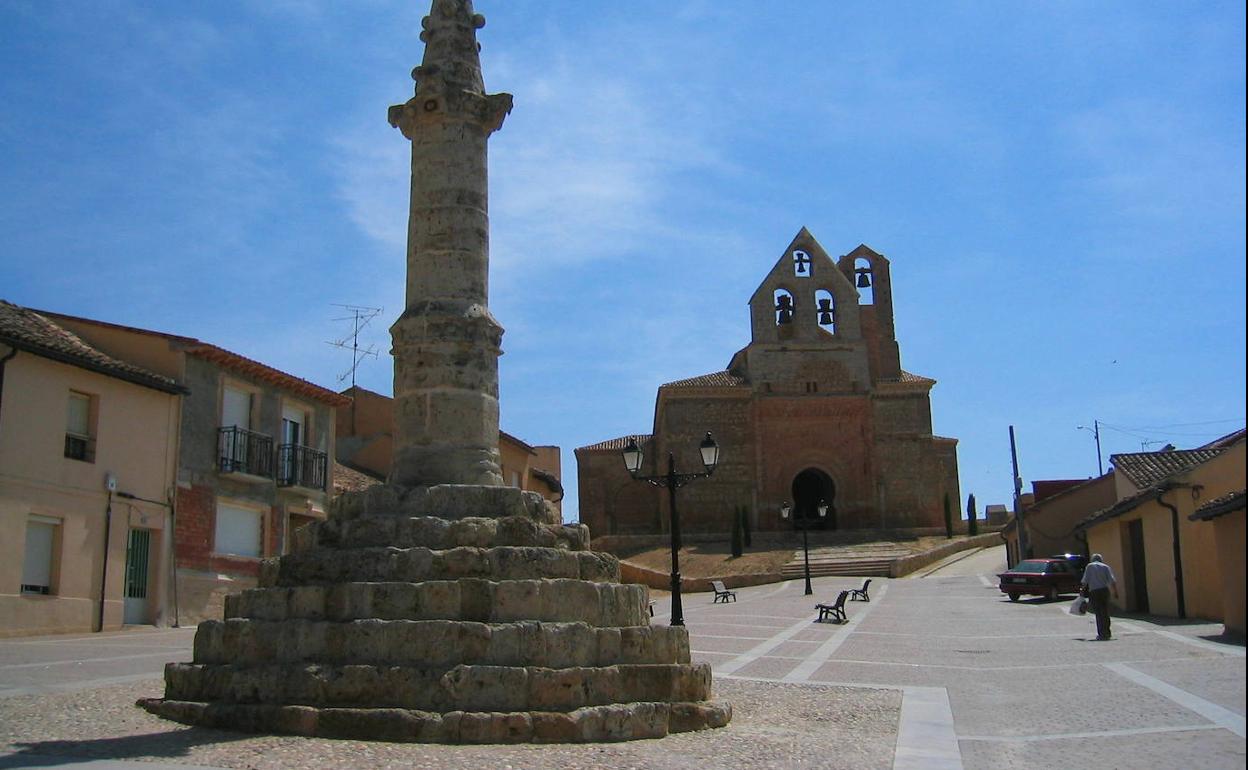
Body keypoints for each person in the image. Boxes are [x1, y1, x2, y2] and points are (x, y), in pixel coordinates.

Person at [1081, 553, 1119, 640]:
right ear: (1101, 559)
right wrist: (1115, 592)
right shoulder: (1106, 567)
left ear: (1092, 559)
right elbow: (1112, 581)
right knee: (1105, 612)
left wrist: (1082, 591)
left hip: (1094, 591)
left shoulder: (1089, 566)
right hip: (1104, 591)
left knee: (1098, 613)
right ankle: (1107, 632)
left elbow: (1085, 581)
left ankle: (1101, 633)